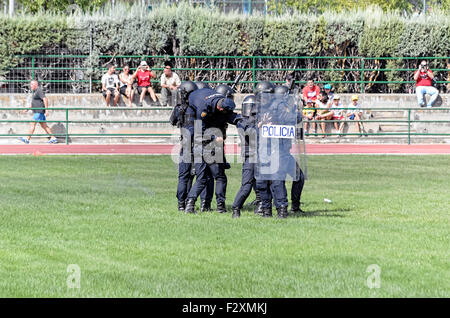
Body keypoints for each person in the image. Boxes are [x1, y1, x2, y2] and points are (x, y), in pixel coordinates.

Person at [184, 88, 247, 214]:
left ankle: (189, 205)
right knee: (220, 177)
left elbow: (233, 117)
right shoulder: (203, 108)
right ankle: (220, 206)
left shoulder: (222, 104)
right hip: (205, 144)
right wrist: (214, 137)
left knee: (202, 178)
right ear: (220, 109)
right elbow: (199, 131)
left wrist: (241, 121)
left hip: (200, 145)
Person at [170, 81, 213, 212]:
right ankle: (197, 204)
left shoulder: (179, 108)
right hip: (198, 146)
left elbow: (173, 121)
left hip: (185, 146)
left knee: (183, 177)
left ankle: (181, 204)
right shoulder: (197, 107)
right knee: (202, 176)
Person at [231, 94, 260, 218]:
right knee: (247, 185)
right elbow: (250, 132)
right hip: (251, 155)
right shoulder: (242, 121)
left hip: (259, 154)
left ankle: (261, 205)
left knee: (263, 182)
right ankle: (236, 207)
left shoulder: (250, 120)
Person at [20, 80, 58, 144]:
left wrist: (46, 110)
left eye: (32, 84)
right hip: (38, 111)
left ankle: (27, 139)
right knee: (44, 126)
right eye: (30, 84)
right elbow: (35, 103)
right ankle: (53, 138)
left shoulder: (39, 90)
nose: (30, 86)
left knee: (32, 123)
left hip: (39, 111)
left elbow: (45, 99)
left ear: (35, 85)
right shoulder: (35, 92)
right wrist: (27, 109)